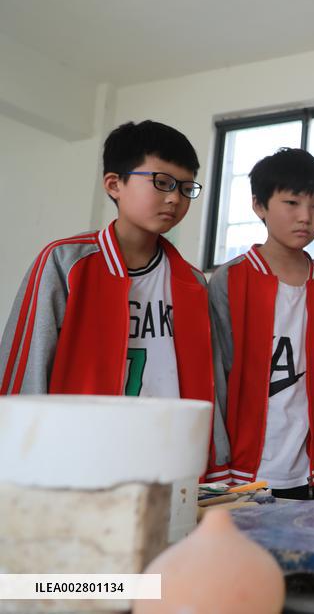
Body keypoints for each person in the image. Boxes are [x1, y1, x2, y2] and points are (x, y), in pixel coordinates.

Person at [0, 119, 226, 481]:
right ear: (114, 184)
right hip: (78, 461)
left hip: (168, 460)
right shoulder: (66, 262)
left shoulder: (193, 281)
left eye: (186, 188)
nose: (175, 198)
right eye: (162, 183)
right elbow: (27, 368)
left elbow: (207, 379)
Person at [210, 148, 314, 498]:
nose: (305, 218)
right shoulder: (230, 281)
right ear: (259, 205)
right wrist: (216, 468)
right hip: (242, 472)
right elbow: (216, 379)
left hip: (311, 472)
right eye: (292, 203)